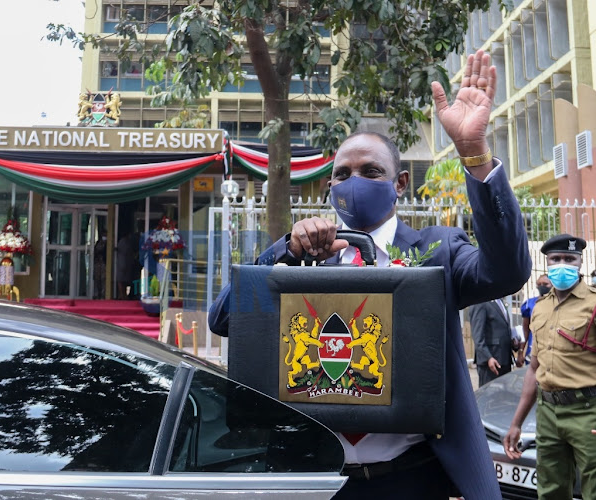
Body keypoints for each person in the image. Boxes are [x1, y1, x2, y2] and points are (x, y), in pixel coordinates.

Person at [208, 49, 531, 500]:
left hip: (412, 479)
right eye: (343, 173)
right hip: (316, 479)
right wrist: (284, 251)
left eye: (371, 171)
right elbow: (222, 319)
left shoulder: (436, 250)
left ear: (399, 184)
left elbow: (507, 272)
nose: (354, 181)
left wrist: (475, 154)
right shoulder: (302, 254)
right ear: (330, 187)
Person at [502, 234, 596, 500]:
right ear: (547, 263)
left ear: (580, 262)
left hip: (587, 411)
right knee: (550, 491)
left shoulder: (594, 304)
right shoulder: (540, 308)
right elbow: (534, 368)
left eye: (569, 259)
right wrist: (517, 422)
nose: (562, 264)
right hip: (548, 413)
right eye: (555, 259)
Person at [469, 298, 515, 386]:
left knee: (503, 397)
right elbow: (478, 336)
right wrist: (488, 357)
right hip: (491, 363)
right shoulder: (480, 302)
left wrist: (513, 343)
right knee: (489, 396)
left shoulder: (500, 301)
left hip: (504, 360)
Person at [516, 274, 551, 366]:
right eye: (539, 284)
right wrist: (521, 351)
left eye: (545, 284)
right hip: (533, 350)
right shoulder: (529, 304)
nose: (541, 286)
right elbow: (525, 330)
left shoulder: (560, 303)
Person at [93, 228, 107, 299]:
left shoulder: (108, 244)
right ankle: (97, 294)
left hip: (104, 264)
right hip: (98, 263)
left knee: (104, 279)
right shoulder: (98, 243)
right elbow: (95, 251)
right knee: (97, 279)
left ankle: (103, 294)